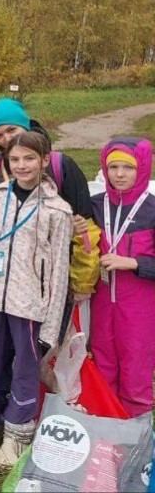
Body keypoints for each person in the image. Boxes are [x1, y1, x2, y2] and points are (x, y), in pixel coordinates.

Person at [0, 131, 73, 467]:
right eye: (15, 159)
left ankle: (17, 433)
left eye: (29, 158)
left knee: (25, 367)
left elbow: (59, 273)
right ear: (7, 162)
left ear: (44, 159)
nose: (22, 166)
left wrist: (51, 325)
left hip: (29, 306)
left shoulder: (57, 210)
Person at [0, 98, 99, 295]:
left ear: (26, 127)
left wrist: (82, 283)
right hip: (1, 278)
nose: (7, 139)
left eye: (12, 130)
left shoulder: (61, 166)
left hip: (48, 278)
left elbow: (85, 229)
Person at [89, 138, 155, 418]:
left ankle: (136, 431)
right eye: (112, 166)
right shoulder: (93, 205)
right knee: (102, 364)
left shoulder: (152, 209)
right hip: (101, 302)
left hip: (139, 305)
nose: (119, 174)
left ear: (142, 169)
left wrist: (132, 263)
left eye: (127, 167)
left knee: (136, 366)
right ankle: (105, 428)